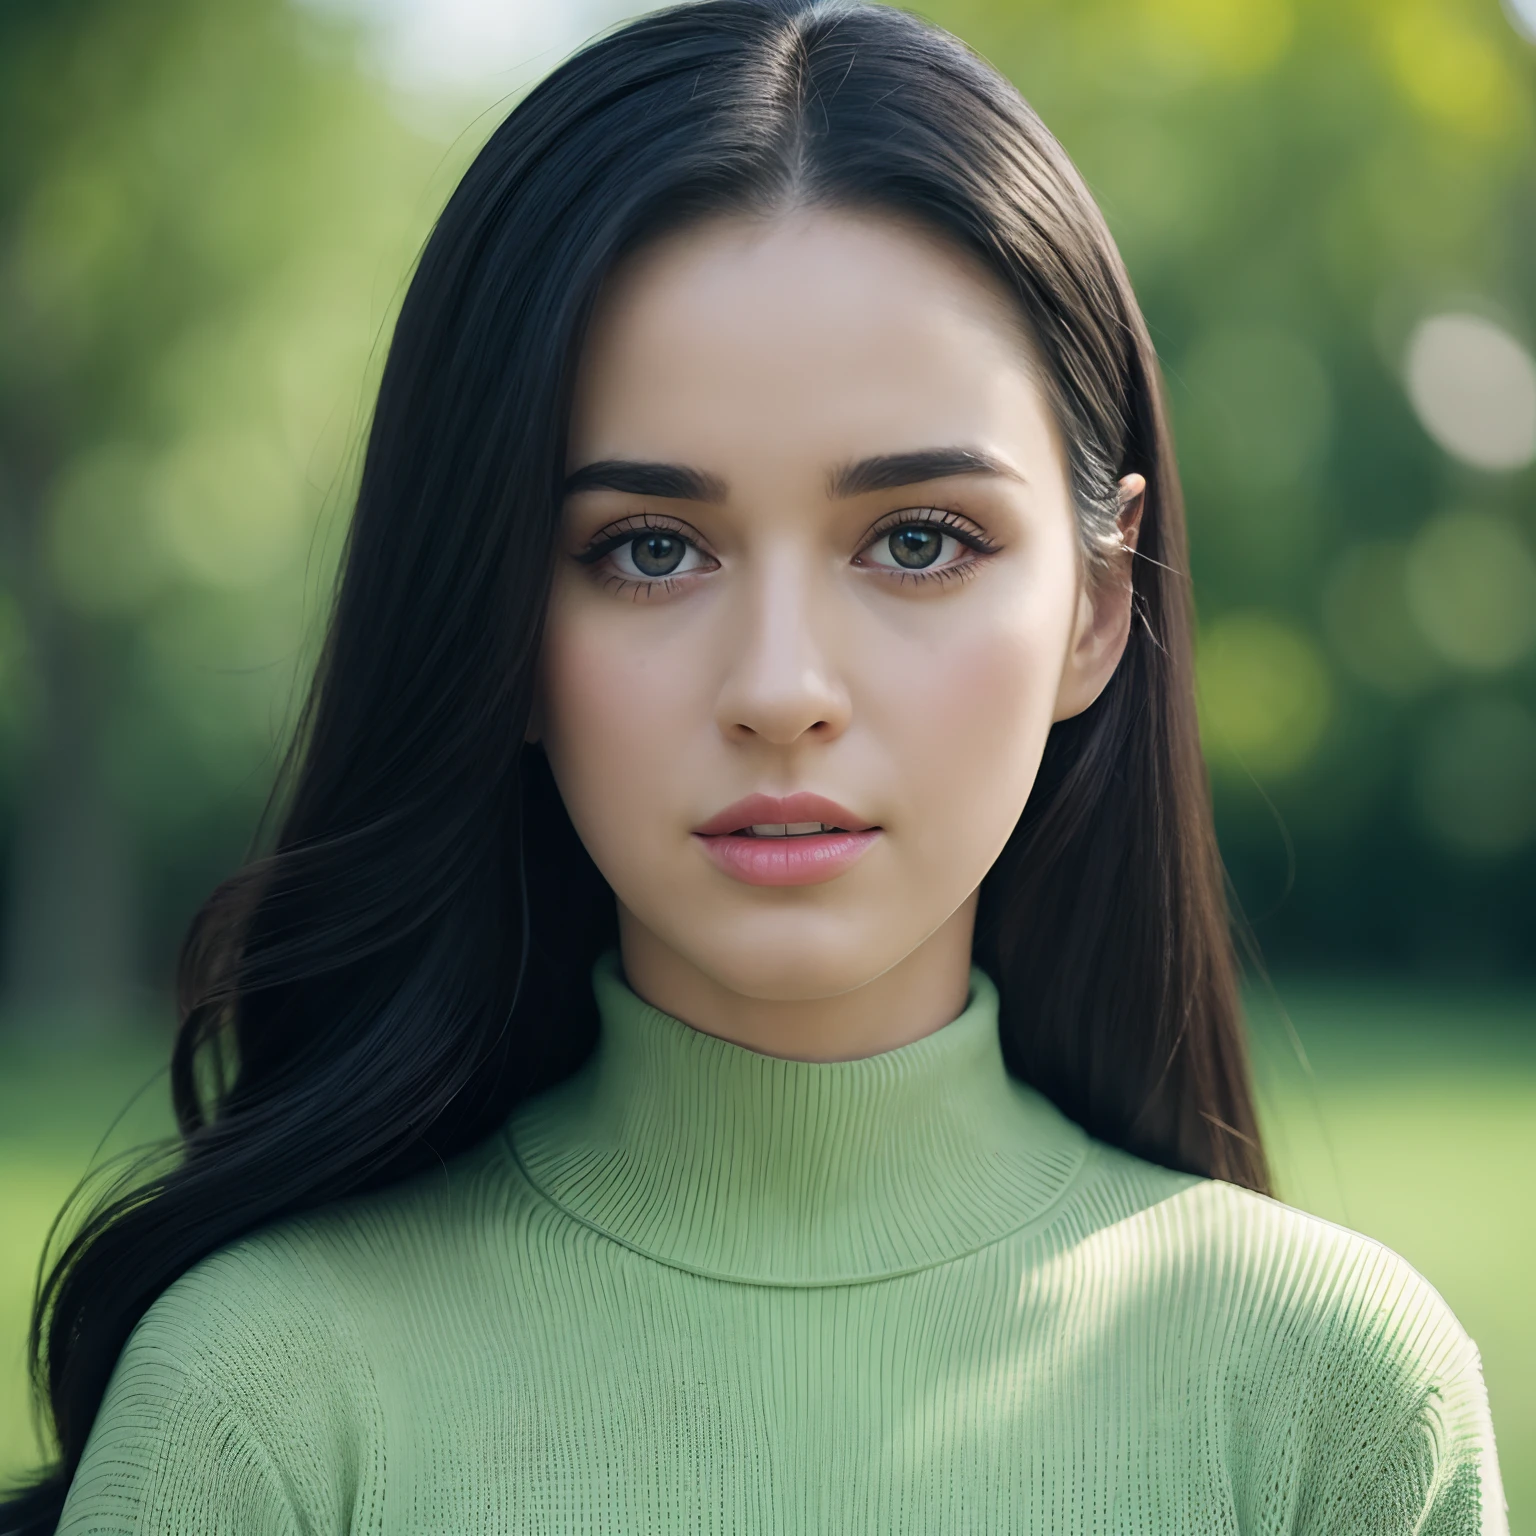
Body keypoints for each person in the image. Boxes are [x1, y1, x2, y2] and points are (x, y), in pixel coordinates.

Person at [4, 1, 1506, 1531]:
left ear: (1098, 609)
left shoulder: (1334, 1403)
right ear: (501, 623)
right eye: (649, 550)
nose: (781, 690)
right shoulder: (257, 1408)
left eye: (920, 541)